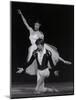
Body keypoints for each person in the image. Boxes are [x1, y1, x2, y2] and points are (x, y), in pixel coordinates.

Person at [17, 9, 60, 74]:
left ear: (39, 26)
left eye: (37, 25)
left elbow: (42, 43)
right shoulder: (31, 30)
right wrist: (21, 14)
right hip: (32, 47)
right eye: (35, 25)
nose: (36, 26)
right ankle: (27, 69)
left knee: (43, 61)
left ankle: (50, 70)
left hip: (37, 47)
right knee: (31, 62)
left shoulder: (40, 34)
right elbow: (25, 23)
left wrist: (41, 49)